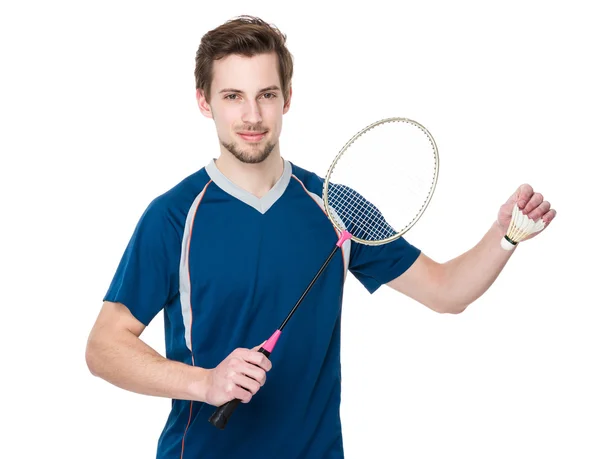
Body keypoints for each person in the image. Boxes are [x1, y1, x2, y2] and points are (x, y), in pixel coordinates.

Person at [85, 15, 557, 459]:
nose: (252, 115)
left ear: (287, 98)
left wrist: (506, 235)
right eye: (233, 96)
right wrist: (205, 383)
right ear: (204, 101)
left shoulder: (335, 206)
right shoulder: (173, 217)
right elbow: (104, 346)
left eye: (266, 94)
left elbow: (446, 292)